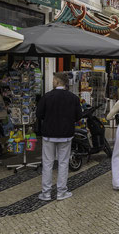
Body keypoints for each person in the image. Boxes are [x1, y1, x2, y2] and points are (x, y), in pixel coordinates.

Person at [36, 72, 82, 201]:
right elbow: (78, 116)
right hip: (66, 135)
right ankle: (61, 191)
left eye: (53, 80)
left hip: (49, 135)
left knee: (48, 163)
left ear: (57, 81)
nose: (52, 82)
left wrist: (49, 118)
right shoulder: (73, 98)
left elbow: (39, 114)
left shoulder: (47, 97)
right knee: (63, 163)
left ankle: (46, 193)